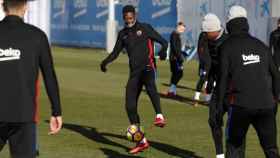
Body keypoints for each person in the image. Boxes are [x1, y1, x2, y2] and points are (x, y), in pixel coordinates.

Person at [100, 5, 168, 154]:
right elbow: (115, 52)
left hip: (148, 67)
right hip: (134, 73)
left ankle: (159, 116)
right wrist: (105, 62)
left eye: (131, 17)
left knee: (150, 86)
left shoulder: (145, 28)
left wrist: (163, 52)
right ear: (123, 17)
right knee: (129, 106)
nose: (129, 20)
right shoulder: (123, 34)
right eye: (127, 18)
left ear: (135, 15)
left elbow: (164, 42)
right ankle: (141, 140)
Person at [0, 0, 63, 157]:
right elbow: (49, 75)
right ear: (26, 7)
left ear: (3, 6)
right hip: (24, 114)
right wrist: (56, 111)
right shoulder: (37, 35)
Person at [217, 5, 280, 158]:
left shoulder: (226, 47)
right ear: (246, 22)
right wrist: (275, 101)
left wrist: (219, 108)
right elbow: (276, 75)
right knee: (271, 149)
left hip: (240, 106)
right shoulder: (261, 46)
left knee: (235, 147)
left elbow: (223, 79)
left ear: (229, 23)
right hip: (266, 106)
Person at [167, 22, 186, 96]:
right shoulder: (174, 34)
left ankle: (172, 91)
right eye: (181, 28)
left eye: (183, 29)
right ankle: (172, 90)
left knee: (176, 74)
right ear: (178, 27)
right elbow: (174, 47)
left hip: (176, 57)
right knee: (179, 73)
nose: (183, 30)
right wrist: (179, 56)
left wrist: (182, 53)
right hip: (175, 58)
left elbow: (176, 48)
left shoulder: (176, 35)